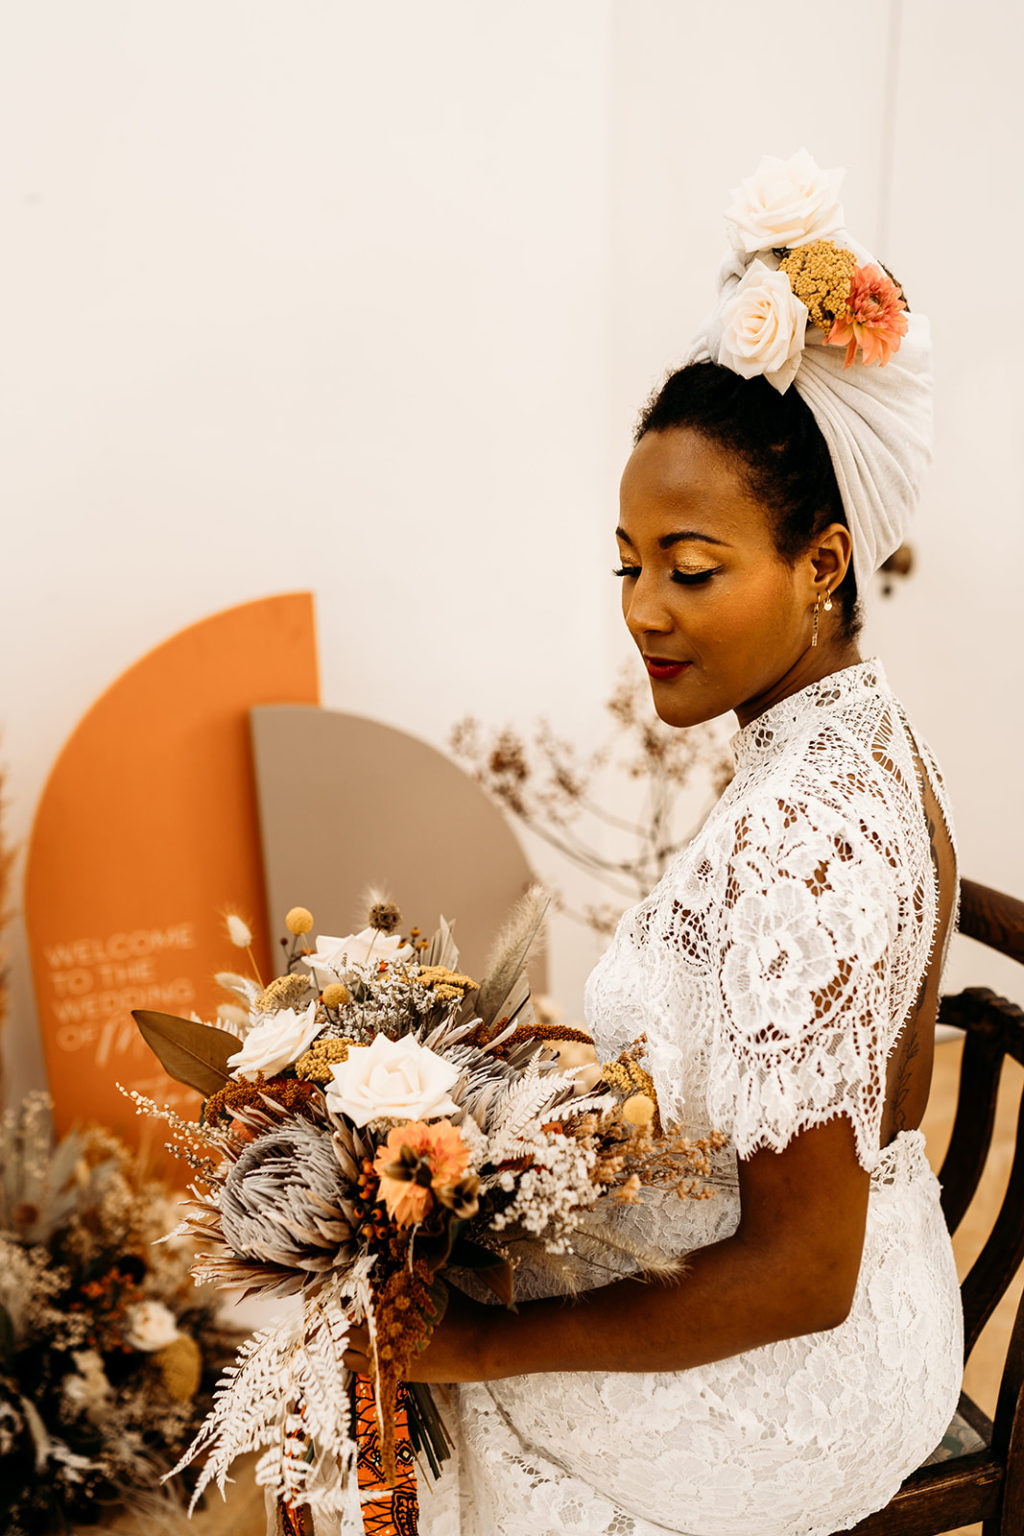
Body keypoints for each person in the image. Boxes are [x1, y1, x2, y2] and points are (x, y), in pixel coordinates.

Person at [349, 152, 964, 1536]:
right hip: (865, 1276)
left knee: (425, 1358)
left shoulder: (806, 826)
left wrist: (479, 1347)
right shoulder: (842, 735)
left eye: (692, 569)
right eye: (628, 565)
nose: (646, 611)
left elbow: (803, 1273)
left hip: (817, 1361)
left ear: (820, 563)